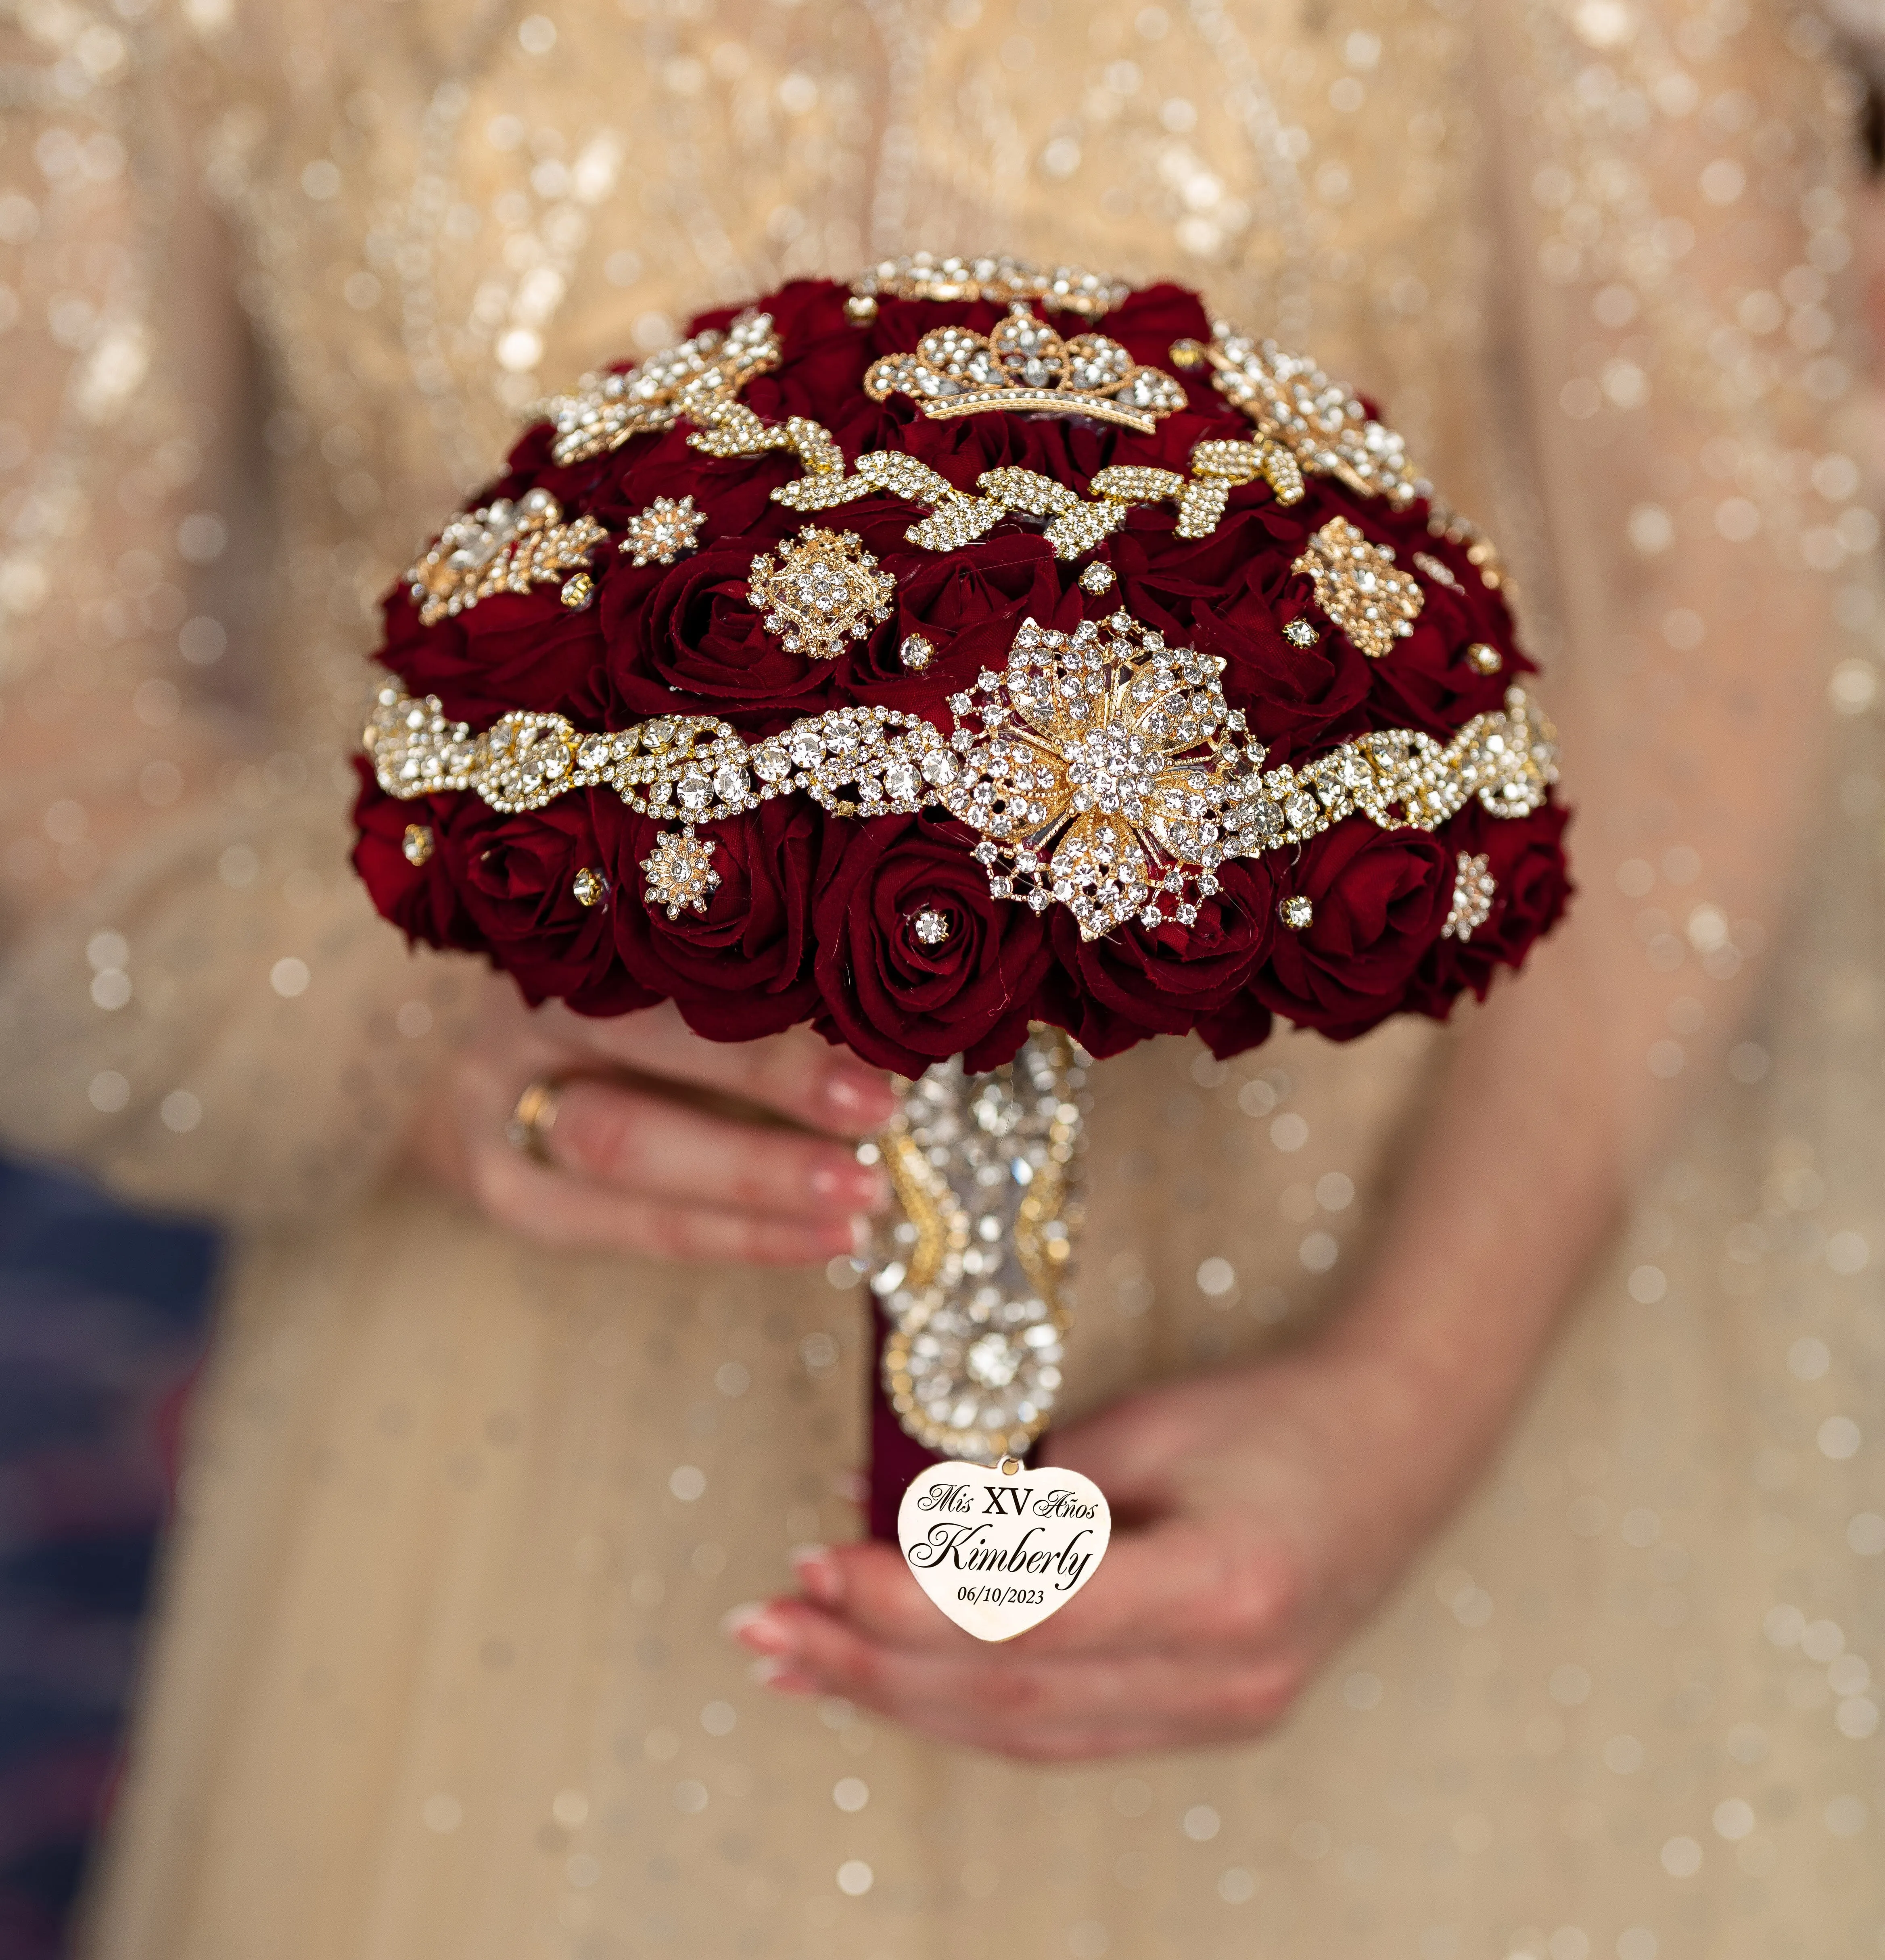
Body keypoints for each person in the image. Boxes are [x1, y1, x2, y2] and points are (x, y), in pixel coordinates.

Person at [1, 1, 1879, 1953]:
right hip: (528, 1444)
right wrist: (398, 1033)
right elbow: (36, 664)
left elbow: (1732, 588)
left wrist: (1412, 1384)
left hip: (1409, 1292)